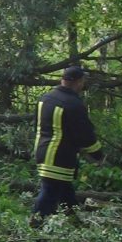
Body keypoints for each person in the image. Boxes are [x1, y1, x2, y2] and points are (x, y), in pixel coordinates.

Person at [31, 65, 104, 218]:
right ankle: (35, 223)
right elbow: (85, 134)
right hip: (59, 157)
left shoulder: (45, 98)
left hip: (42, 151)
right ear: (79, 82)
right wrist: (98, 155)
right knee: (49, 192)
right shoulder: (73, 104)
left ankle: (74, 221)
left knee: (65, 191)